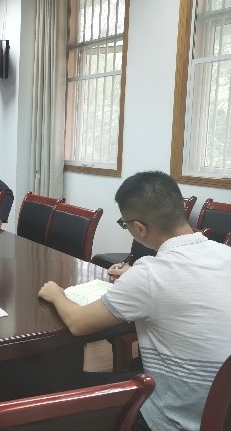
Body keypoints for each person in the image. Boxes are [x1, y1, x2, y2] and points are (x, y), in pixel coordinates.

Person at [38, 171, 231, 431]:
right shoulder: (224, 253)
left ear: (139, 228)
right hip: (221, 410)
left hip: (173, 420)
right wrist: (136, 278)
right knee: (132, 369)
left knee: (66, 384)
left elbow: (78, 323)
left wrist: (56, 294)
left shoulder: (149, 274)